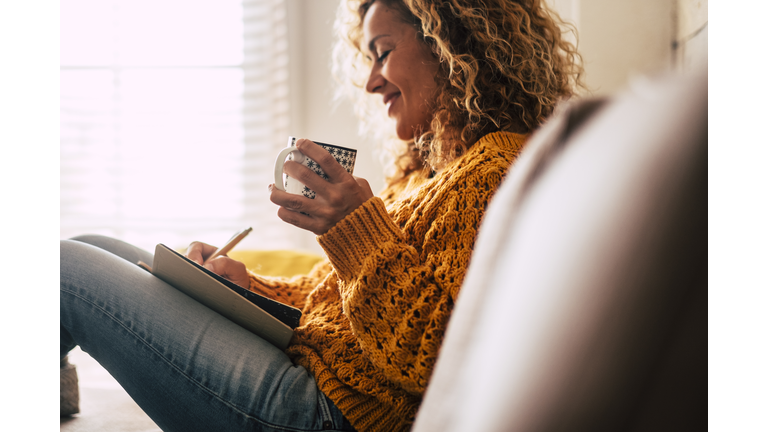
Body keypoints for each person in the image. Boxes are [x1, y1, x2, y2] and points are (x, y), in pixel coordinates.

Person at [60, 0, 583, 431]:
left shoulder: (494, 172)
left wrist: (354, 230)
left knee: (63, 269)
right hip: (319, 369)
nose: (372, 82)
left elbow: (436, 360)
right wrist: (247, 288)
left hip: (330, 413)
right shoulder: (428, 171)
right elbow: (330, 302)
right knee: (93, 244)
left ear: (452, 46)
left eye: (383, 53)